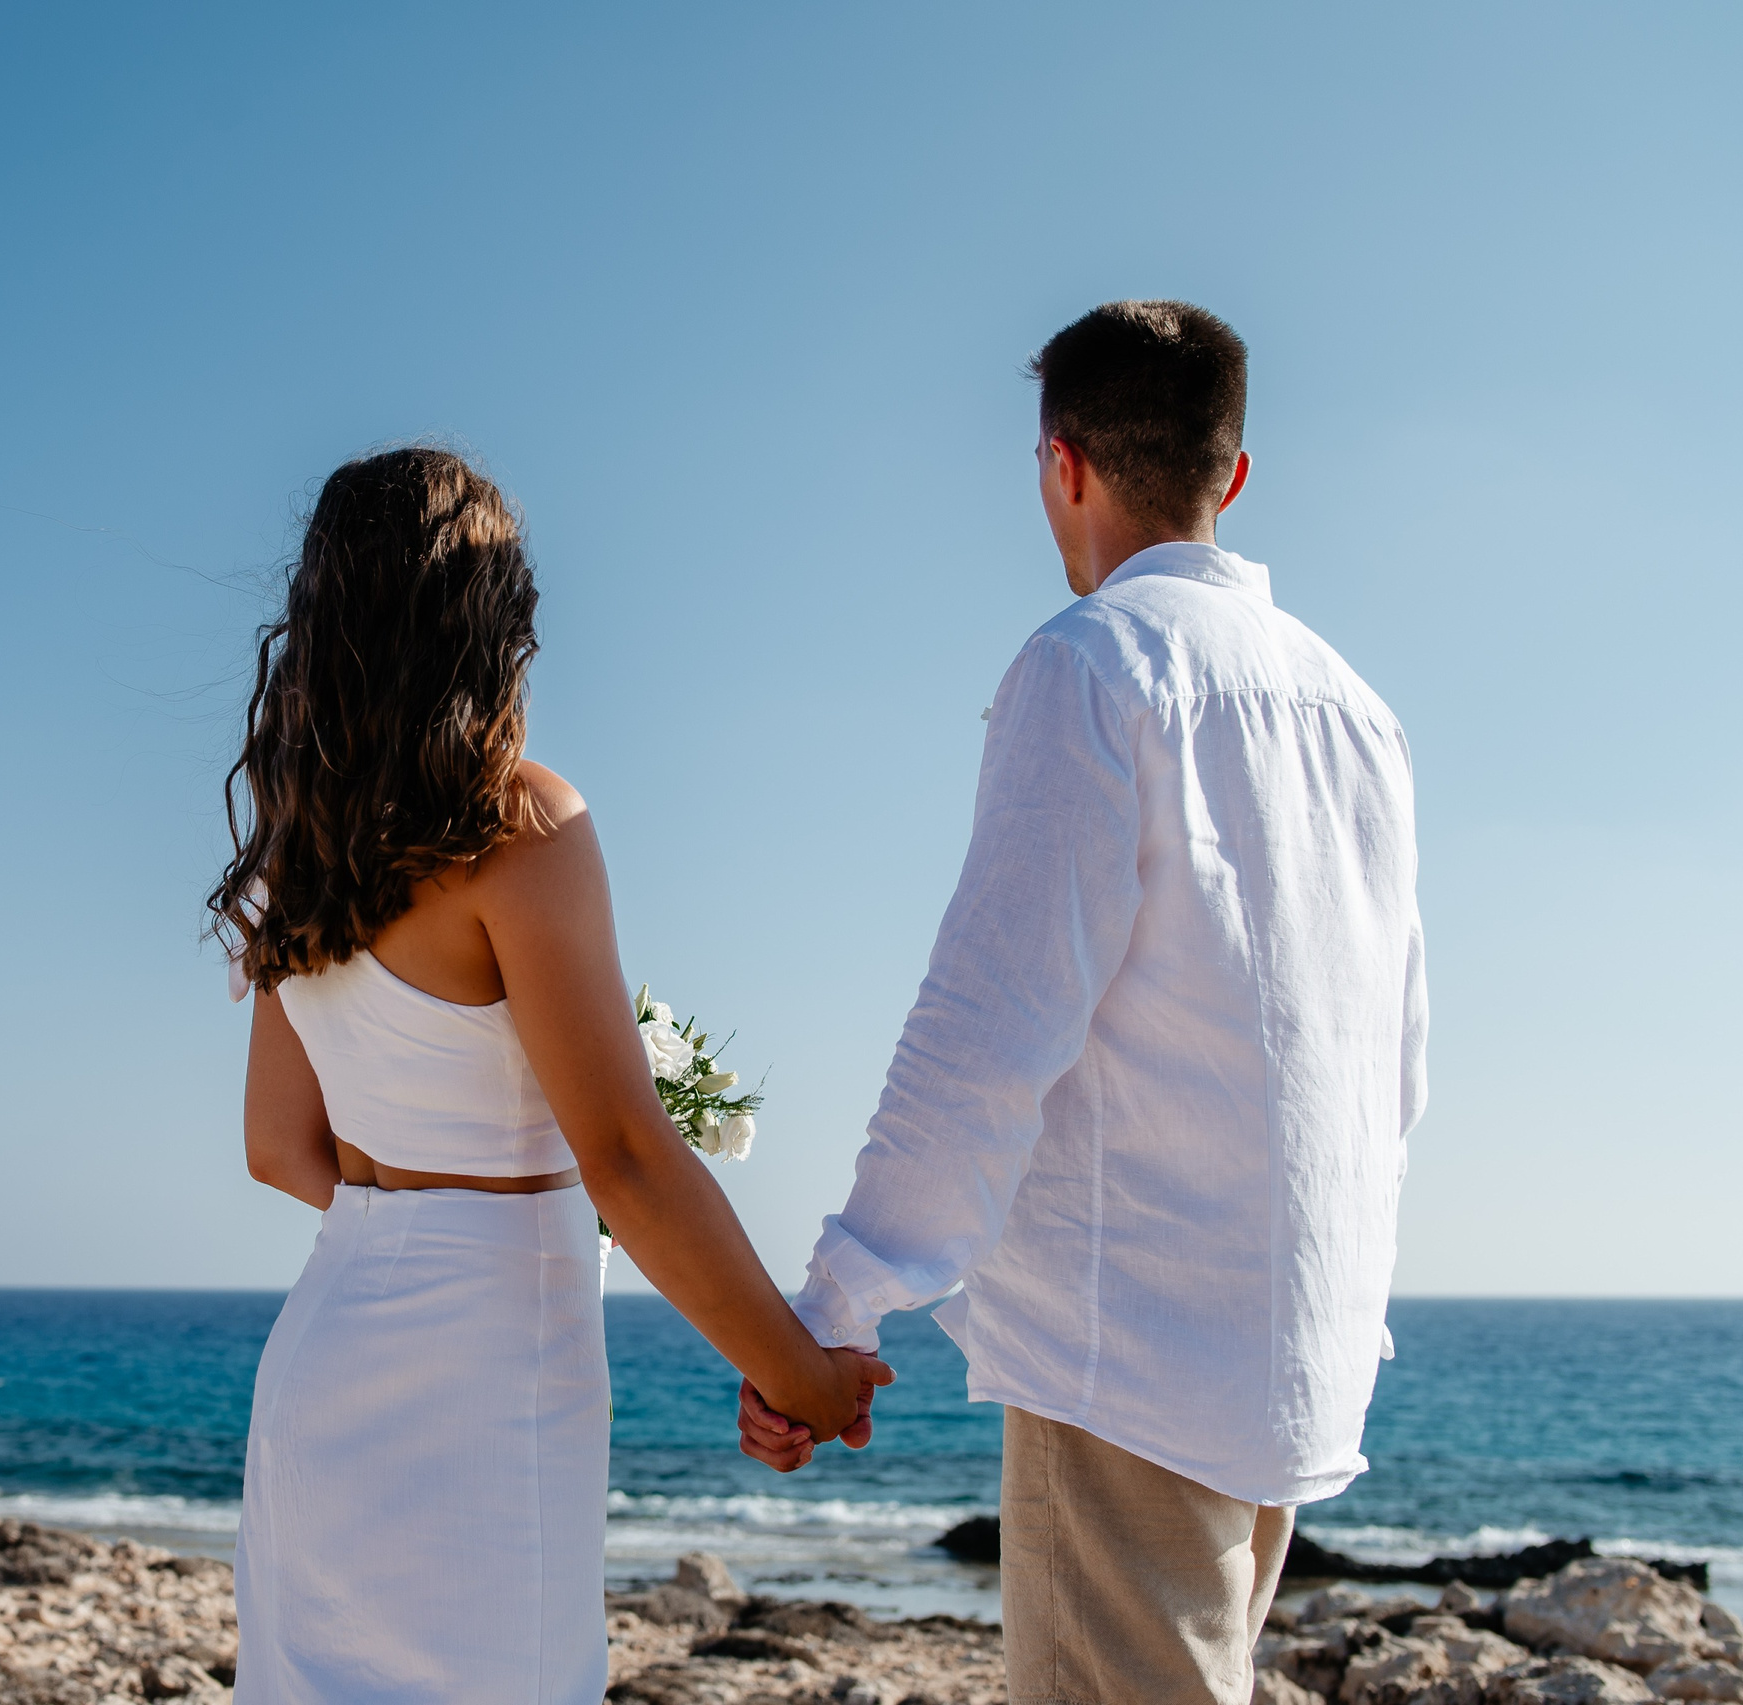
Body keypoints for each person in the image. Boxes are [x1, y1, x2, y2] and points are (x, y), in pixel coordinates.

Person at [738, 302, 1428, 1705]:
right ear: (1234, 475)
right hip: (1287, 1354)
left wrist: (840, 1305)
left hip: (1134, 1352)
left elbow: (990, 1027)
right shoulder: (1360, 711)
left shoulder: (1092, 662)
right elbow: (1391, 1053)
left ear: (1061, 465)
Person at [211, 447, 892, 1705]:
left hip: (329, 1344)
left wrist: (420, 1213)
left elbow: (277, 1147)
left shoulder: (298, 851)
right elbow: (623, 1155)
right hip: (490, 1367)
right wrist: (803, 1377)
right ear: (490, 618)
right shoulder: (518, 824)